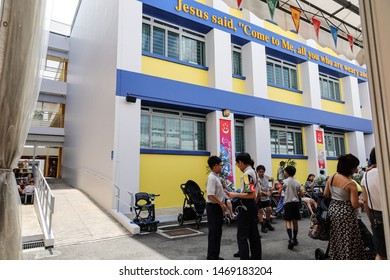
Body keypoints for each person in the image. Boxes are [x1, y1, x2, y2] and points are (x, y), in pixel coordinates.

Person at [324, 154, 366, 259]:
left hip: (333, 210)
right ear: (350, 168)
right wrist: (361, 202)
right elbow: (354, 204)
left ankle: (337, 257)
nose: (356, 170)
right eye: (355, 167)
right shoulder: (350, 183)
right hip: (346, 214)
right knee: (349, 238)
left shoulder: (331, 177)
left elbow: (325, 194)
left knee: (336, 237)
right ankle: (348, 257)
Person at [227, 153, 262, 260]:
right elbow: (255, 193)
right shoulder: (253, 172)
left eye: (237, 163)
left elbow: (250, 194)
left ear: (242, 162)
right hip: (251, 206)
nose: (237, 166)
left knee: (242, 236)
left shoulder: (247, 175)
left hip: (246, 206)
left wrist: (235, 194)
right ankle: (256, 257)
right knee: (253, 235)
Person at [361, 147, 387, 260]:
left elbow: (365, 202)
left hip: (376, 216)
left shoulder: (366, 175)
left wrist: (371, 220)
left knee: (381, 254)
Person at [206, 156, 227, 260]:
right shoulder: (212, 178)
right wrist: (221, 204)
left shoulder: (216, 177)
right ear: (215, 166)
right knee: (214, 233)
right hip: (213, 207)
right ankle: (211, 257)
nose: (221, 167)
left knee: (217, 232)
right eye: (220, 165)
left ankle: (215, 255)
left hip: (217, 207)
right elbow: (210, 195)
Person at [282, 165, 303, 249]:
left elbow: (280, 190)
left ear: (287, 172)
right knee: (295, 221)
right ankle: (295, 238)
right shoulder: (297, 182)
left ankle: (290, 239)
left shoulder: (284, 182)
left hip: (288, 203)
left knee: (288, 221)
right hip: (295, 203)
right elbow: (301, 194)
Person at [256, 165, 275, 233]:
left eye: (262, 172)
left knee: (269, 209)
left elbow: (273, 179)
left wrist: (272, 187)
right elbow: (258, 190)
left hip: (266, 197)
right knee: (260, 210)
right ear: (257, 171)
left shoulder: (267, 177)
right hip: (259, 197)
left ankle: (267, 222)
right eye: (260, 172)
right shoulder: (256, 179)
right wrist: (266, 193)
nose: (261, 173)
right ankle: (262, 225)